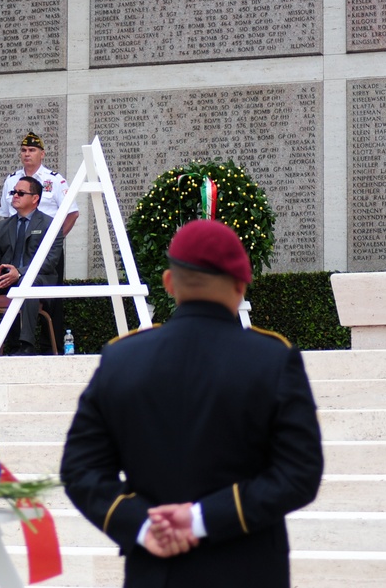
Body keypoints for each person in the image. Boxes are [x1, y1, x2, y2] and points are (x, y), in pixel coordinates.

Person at [60, 220, 323, 588]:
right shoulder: (272, 359)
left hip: (154, 572)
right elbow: (298, 474)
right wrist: (202, 518)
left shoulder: (122, 358)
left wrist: (140, 523)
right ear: (241, 285)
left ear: (169, 283)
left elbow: (80, 470)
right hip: (248, 569)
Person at [0, 176, 63, 356]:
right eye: (13, 192)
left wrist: (20, 273)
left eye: (20, 193)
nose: (15, 196)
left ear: (35, 198)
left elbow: (50, 261)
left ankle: (26, 345)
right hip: (5, 278)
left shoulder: (51, 225)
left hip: (36, 279)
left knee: (28, 283)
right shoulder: (3, 226)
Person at [0, 131, 78, 351]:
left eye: (32, 150)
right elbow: (5, 216)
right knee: (13, 292)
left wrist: (54, 241)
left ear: (42, 154)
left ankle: (50, 346)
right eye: (23, 150)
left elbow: (72, 213)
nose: (27, 154)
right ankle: (15, 344)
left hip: (46, 250)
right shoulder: (12, 180)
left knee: (52, 299)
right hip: (18, 249)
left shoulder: (54, 179)